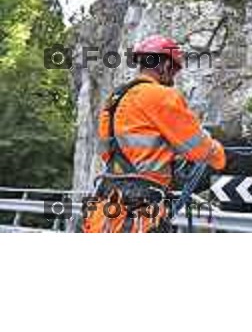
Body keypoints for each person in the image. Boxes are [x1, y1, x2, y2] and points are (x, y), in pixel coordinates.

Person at [81, 35, 226, 233]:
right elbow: (200, 150)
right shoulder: (162, 96)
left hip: (105, 208)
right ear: (165, 66)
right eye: (174, 71)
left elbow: (107, 152)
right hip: (142, 213)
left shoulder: (113, 101)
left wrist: (161, 155)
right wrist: (221, 156)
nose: (173, 79)